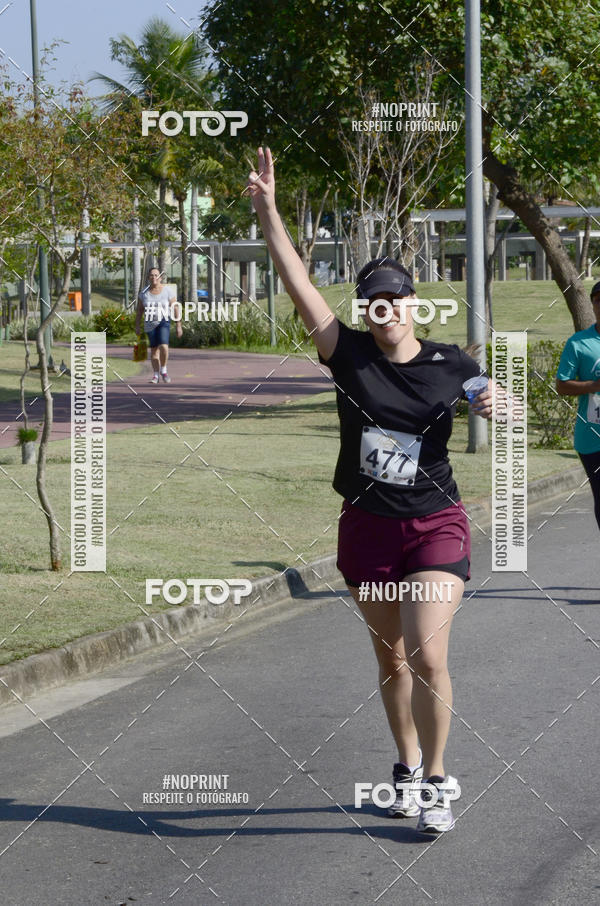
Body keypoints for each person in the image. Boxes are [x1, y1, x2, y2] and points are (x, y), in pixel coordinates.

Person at [247, 147, 493, 836]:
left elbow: (482, 389)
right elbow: (296, 280)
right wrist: (268, 209)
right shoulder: (346, 354)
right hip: (368, 528)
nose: (384, 308)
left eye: (395, 297)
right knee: (390, 658)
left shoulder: (452, 362)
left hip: (435, 523)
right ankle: (406, 768)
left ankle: (440, 779)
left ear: (414, 303)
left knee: (428, 653)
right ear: (365, 307)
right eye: (372, 300)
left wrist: (492, 397)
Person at [556, 280, 600, 529]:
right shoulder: (579, 343)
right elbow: (562, 385)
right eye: (598, 300)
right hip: (592, 438)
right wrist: (595, 385)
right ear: (593, 305)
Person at [135, 267, 182, 383]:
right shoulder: (144, 293)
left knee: (164, 347)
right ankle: (155, 375)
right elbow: (140, 311)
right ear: (148, 278)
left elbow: (175, 308)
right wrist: (137, 326)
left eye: (156, 275)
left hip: (163, 321)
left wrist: (178, 325)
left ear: (160, 277)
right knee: (154, 351)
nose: (154, 277)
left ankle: (164, 370)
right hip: (149, 323)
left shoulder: (167, 291)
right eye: (151, 275)